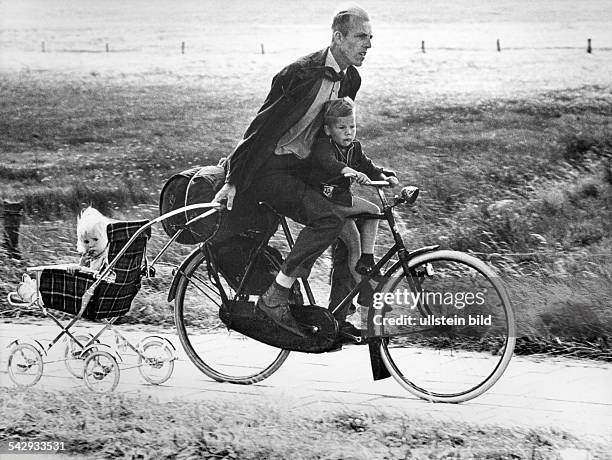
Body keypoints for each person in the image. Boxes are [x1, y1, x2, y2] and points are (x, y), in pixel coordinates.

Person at [214, 4, 374, 336]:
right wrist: (233, 178)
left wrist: (361, 171)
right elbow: (260, 127)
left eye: (370, 38)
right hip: (270, 171)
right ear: (337, 37)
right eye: (361, 37)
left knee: (349, 215)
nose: (368, 45)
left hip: (303, 171)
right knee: (328, 218)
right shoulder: (299, 73)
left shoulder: (351, 79)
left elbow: (335, 135)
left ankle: (337, 317)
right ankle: (276, 295)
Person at [308, 97, 398, 293]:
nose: (348, 132)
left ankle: (364, 289)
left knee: (354, 244)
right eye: (341, 128)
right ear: (327, 130)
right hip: (325, 199)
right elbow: (328, 162)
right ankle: (369, 257)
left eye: (352, 126)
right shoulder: (324, 145)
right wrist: (348, 171)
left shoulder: (354, 148)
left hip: (340, 200)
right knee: (373, 210)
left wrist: (383, 176)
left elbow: (368, 166)